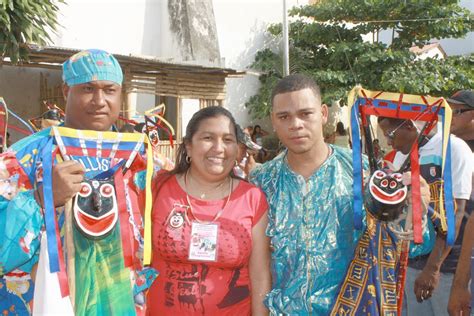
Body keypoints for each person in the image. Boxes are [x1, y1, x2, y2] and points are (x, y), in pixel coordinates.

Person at [0, 49, 166, 315]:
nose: (99, 100)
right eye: (88, 88)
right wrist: (42, 199)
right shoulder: (23, 158)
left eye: (109, 90)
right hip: (40, 303)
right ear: (66, 91)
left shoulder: (144, 163)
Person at [249, 74, 365, 314]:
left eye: (305, 113)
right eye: (284, 117)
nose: (296, 124)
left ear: (323, 113)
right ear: (273, 121)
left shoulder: (360, 173)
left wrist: (410, 209)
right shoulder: (261, 182)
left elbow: (409, 245)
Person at [148, 106, 271, 315]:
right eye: (208, 138)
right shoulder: (157, 188)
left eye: (228, 140)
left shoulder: (252, 198)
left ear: (238, 149)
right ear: (188, 146)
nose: (219, 148)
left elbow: (260, 276)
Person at [378, 116, 472, 316]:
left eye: (390, 134)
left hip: (445, 268)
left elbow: (458, 211)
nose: (388, 142)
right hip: (411, 263)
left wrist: (432, 268)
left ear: (410, 125)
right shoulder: (400, 156)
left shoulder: (453, 148)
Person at [446, 90, 474, 316]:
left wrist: (461, 283)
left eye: (458, 111)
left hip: (460, 267)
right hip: (449, 262)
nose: (451, 115)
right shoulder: (449, 149)